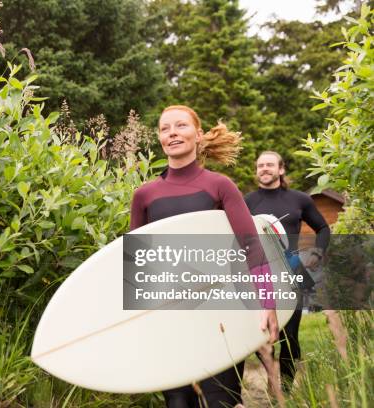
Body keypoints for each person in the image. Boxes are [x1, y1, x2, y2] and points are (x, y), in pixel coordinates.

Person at [130, 105, 279, 408]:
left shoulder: (219, 185)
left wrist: (267, 302)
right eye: (165, 128)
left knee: (220, 399)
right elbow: (137, 266)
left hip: (218, 313)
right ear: (160, 138)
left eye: (181, 126)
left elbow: (250, 245)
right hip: (169, 315)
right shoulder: (144, 195)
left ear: (198, 134)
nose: (172, 132)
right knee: (178, 401)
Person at [244, 151, 330, 391]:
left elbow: (322, 227)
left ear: (281, 169)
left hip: (292, 270)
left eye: (269, 165)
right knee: (263, 335)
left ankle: (286, 391)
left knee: (289, 337)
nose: (264, 169)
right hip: (260, 273)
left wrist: (317, 252)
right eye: (260, 165)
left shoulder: (300, 199)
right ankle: (272, 380)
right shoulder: (247, 202)